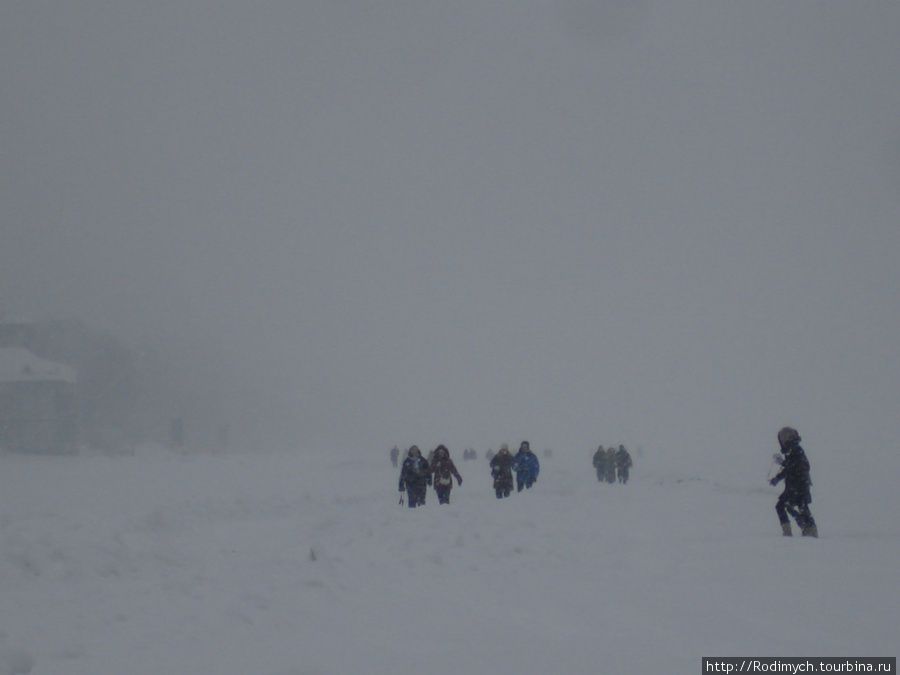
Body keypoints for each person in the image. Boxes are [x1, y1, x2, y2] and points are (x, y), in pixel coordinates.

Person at [769, 427, 817, 537]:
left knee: (790, 506)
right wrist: (778, 477)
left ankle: (798, 532)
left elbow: (799, 466)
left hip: (798, 486)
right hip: (796, 486)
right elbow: (790, 467)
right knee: (796, 507)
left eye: (782, 438)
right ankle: (808, 529)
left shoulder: (796, 450)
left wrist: (784, 463)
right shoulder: (793, 450)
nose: (781, 441)